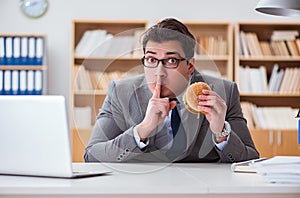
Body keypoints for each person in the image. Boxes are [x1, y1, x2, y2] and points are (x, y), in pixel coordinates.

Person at [84, 18, 259, 163]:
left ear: (190, 65)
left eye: (171, 61)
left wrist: (221, 132)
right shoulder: (120, 91)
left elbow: (250, 158)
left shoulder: (224, 92)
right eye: (152, 59)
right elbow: (92, 156)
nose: (159, 72)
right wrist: (143, 129)